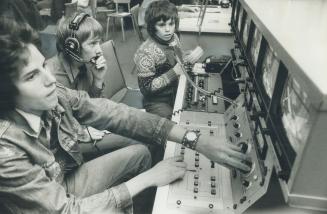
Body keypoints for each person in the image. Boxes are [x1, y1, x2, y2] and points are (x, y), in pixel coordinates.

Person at [0, 17, 250, 214]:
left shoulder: (56, 94)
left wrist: (195, 140)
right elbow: (66, 209)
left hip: (65, 177)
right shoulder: (5, 154)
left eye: (44, 66)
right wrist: (149, 178)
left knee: (140, 154)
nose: (50, 79)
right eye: (32, 76)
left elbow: (114, 112)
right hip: (59, 201)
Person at [46, 12, 142, 159]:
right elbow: (55, 132)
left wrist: (98, 80)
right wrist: (84, 131)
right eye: (92, 43)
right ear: (72, 47)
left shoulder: (85, 63)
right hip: (68, 142)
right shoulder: (51, 78)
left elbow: (93, 105)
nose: (99, 49)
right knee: (136, 136)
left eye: (99, 42)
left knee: (136, 124)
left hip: (88, 125)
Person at [134, 1, 195, 119]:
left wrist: (187, 56)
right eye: (161, 25)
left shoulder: (174, 37)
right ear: (152, 27)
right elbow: (146, 89)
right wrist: (174, 72)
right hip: (157, 101)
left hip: (176, 90)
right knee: (172, 126)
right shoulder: (145, 53)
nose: (168, 29)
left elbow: (179, 59)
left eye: (171, 24)